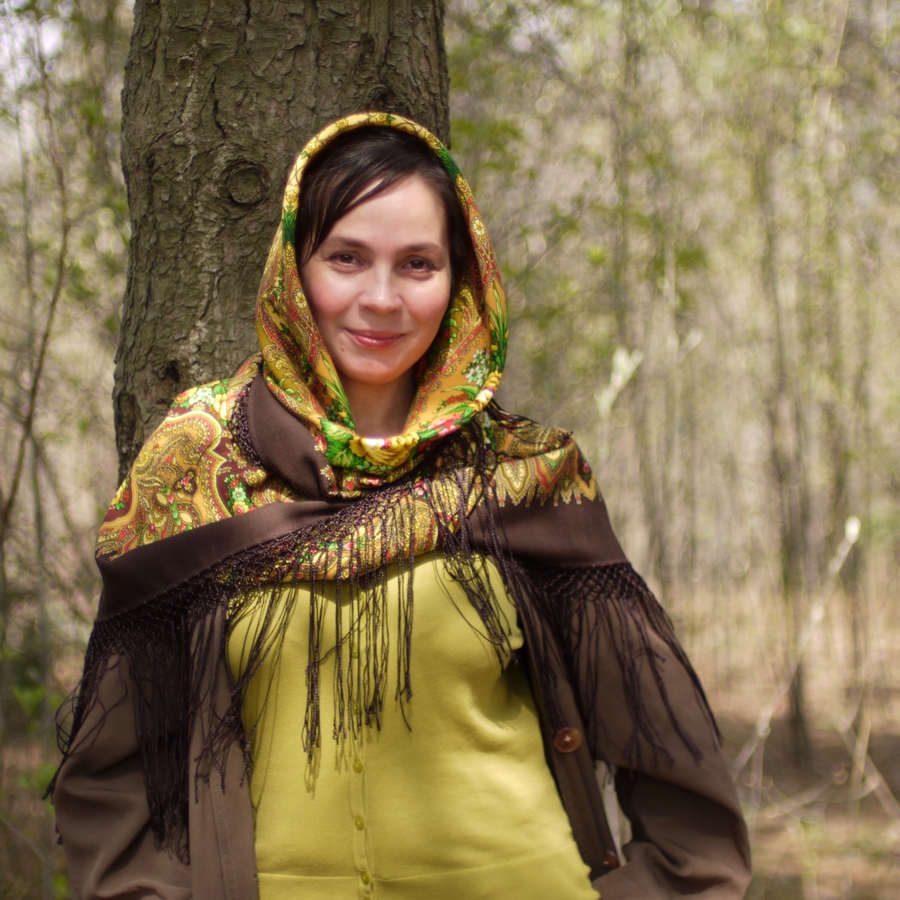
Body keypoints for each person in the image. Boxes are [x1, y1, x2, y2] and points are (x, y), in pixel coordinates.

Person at [52, 112, 751, 899]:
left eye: (417, 264)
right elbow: (110, 782)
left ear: (461, 280)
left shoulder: (526, 476)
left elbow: (685, 798)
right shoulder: (196, 466)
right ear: (293, 269)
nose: (381, 298)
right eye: (346, 258)